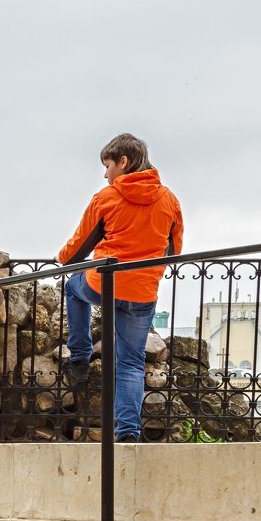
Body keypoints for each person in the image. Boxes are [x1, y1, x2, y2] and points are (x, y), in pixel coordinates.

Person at [57, 134, 184, 443]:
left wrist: (60, 259)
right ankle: (127, 434)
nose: (105, 173)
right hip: (142, 293)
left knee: (73, 288)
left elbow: (77, 250)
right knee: (129, 362)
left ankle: (79, 357)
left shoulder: (107, 197)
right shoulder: (169, 199)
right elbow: (173, 250)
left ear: (124, 162)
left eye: (107, 165)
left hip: (104, 284)